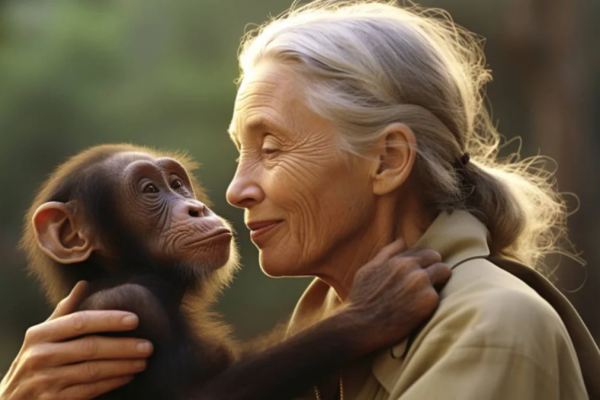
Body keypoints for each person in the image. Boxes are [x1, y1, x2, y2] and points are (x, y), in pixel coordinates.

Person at [2, 1, 599, 399]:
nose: (233, 191)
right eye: (240, 150)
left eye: (272, 147)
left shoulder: (490, 325)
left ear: (388, 160)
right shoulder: (323, 315)